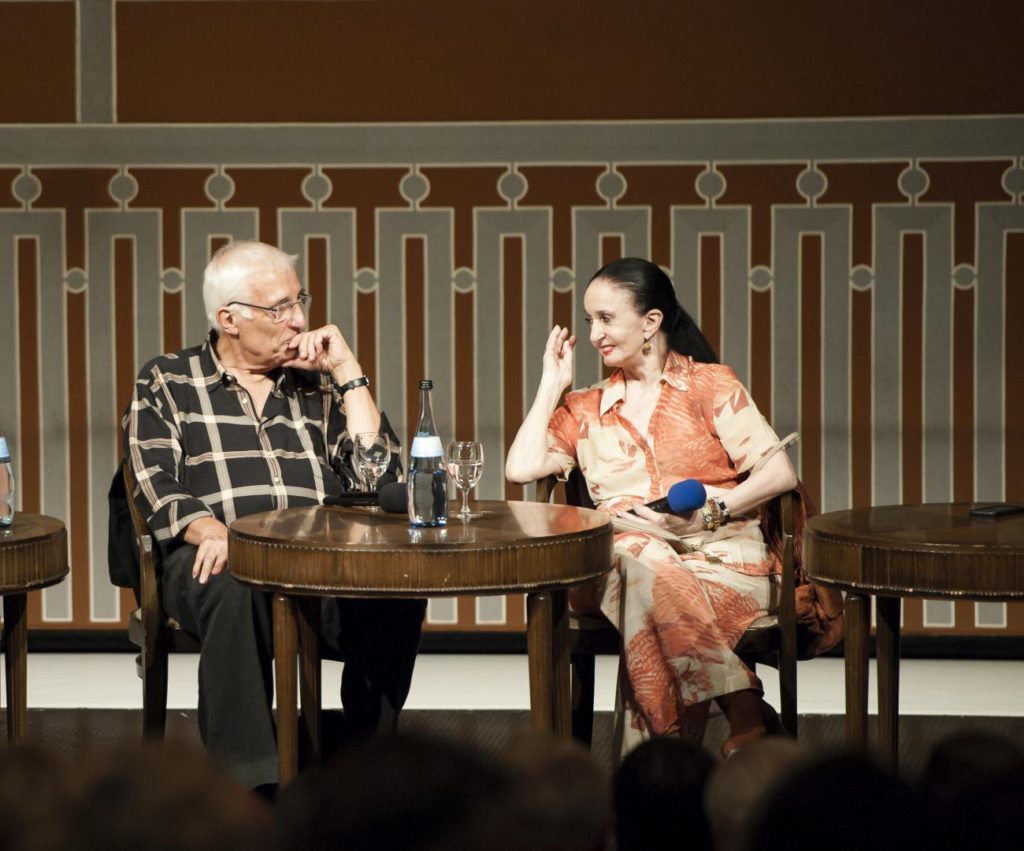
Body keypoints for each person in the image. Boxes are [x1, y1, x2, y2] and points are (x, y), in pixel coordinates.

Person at [124, 240, 426, 789]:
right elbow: (152, 476)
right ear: (229, 319)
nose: (300, 320)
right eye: (279, 308)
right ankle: (250, 786)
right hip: (214, 559)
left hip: (319, 563)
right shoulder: (169, 380)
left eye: (300, 300)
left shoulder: (316, 386)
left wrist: (347, 371)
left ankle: (365, 767)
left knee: (398, 585)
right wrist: (206, 527)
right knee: (234, 583)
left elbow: (379, 477)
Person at [505, 257, 797, 757]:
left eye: (605, 318)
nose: (594, 334)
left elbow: (779, 474)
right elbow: (521, 468)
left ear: (651, 322)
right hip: (622, 560)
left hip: (721, 558)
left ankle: (652, 788)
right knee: (637, 552)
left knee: (647, 605)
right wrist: (551, 384)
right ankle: (745, 708)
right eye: (589, 320)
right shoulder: (585, 407)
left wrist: (711, 512)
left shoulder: (710, 385)